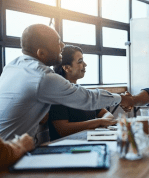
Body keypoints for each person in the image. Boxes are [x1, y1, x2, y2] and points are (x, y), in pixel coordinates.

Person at [0, 24, 133, 141]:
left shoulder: (12, 67)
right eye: (57, 42)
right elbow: (88, 98)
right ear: (41, 53)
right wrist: (122, 99)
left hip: (13, 151)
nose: (62, 46)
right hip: (9, 157)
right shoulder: (42, 77)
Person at [48, 45, 117, 141]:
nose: (85, 64)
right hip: (67, 149)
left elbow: (108, 115)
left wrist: (102, 121)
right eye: (80, 61)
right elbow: (63, 129)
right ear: (67, 68)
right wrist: (98, 122)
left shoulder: (83, 93)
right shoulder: (58, 94)